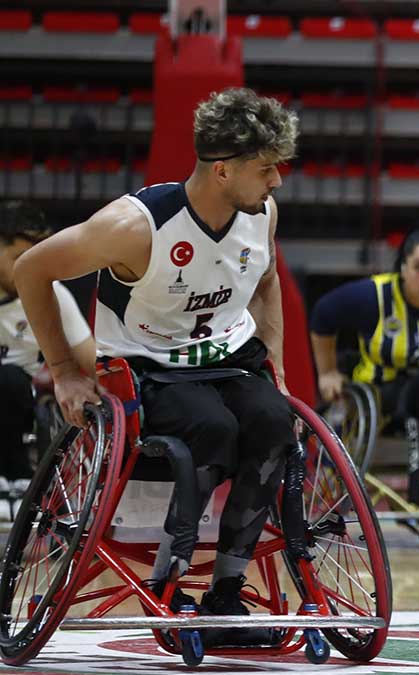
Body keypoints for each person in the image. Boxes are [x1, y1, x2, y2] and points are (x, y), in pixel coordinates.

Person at [14, 87, 300, 644]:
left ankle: (226, 590)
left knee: (273, 423)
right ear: (222, 170)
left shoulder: (261, 213)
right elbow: (30, 269)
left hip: (229, 357)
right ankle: (168, 580)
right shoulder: (136, 226)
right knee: (212, 428)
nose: (277, 182)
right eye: (266, 169)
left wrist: (279, 370)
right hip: (151, 367)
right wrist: (65, 371)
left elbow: (266, 281)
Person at [309, 224, 419, 515]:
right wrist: (327, 372)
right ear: (403, 267)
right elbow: (322, 314)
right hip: (384, 392)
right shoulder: (373, 295)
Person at [0, 201, 95, 516]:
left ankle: (15, 478)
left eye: (34, 259)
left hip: (18, 401)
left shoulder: (51, 295)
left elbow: (92, 360)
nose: (27, 269)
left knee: (9, 378)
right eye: (19, 258)